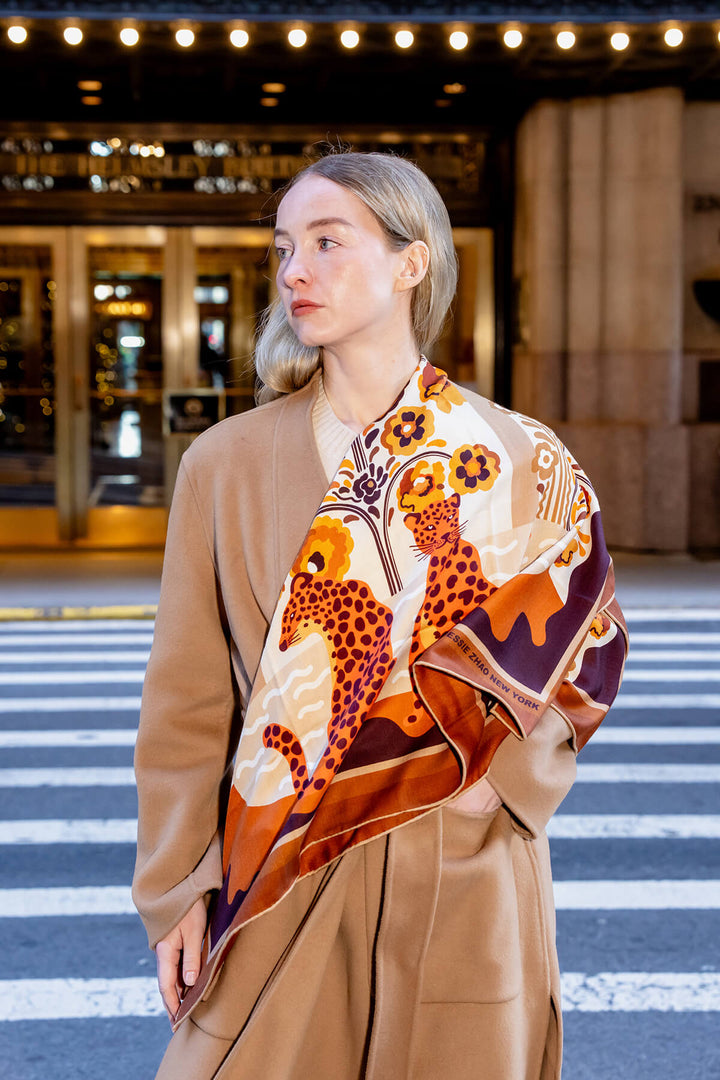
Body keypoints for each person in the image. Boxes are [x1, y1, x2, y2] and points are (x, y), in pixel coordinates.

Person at [133, 150, 628, 1080]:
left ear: (414, 262)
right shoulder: (225, 463)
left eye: (328, 242)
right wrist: (176, 889)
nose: (294, 273)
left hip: (463, 864)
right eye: (284, 249)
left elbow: (586, 649)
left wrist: (502, 788)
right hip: (282, 869)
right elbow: (186, 701)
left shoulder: (520, 456)